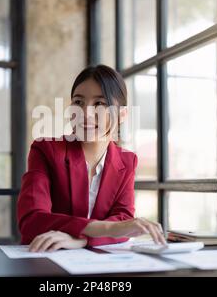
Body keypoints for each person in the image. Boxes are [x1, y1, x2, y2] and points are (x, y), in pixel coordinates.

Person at [17, 65, 166, 252]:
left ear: (122, 115)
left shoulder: (127, 162)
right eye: (78, 102)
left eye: (100, 104)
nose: (85, 114)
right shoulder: (45, 150)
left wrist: (83, 240)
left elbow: (123, 219)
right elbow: (32, 220)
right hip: (43, 261)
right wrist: (105, 229)